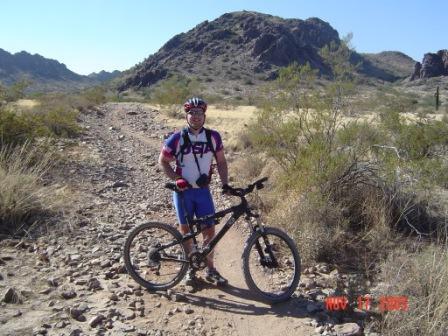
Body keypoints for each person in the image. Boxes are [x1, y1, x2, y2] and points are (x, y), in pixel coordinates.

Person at [158, 97, 230, 287]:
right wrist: (176, 178)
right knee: (186, 233)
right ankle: (190, 268)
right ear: (186, 116)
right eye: (192, 113)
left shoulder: (213, 137)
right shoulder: (177, 138)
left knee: (209, 231)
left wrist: (224, 184)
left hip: (203, 192)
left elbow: (221, 162)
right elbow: (163, 161)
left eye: (199, 113)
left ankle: (210, 269)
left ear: (204, 115)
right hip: (183, 194)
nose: (195, 116)